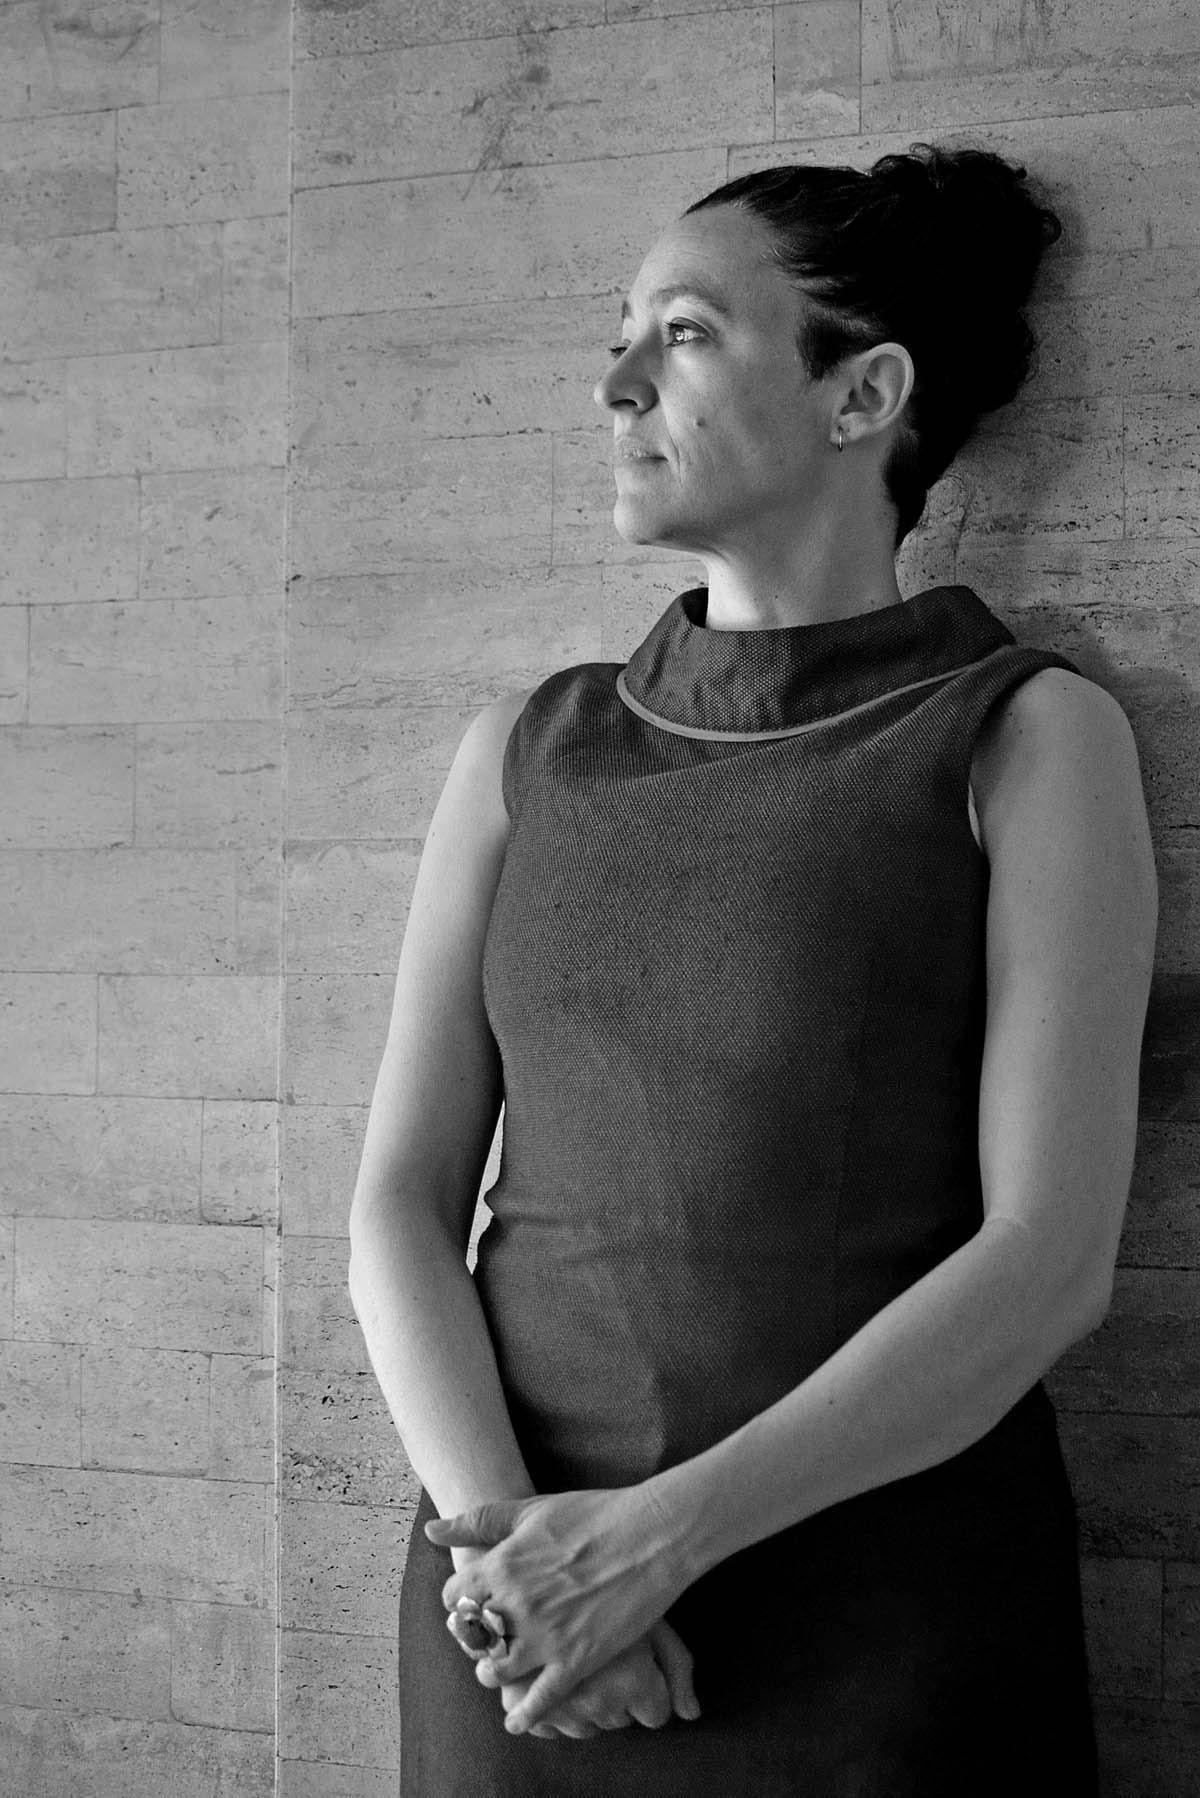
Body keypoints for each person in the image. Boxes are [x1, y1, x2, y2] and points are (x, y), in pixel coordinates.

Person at [347, 141, 1159, 1795]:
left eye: (685, 333)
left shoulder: (1022, 735)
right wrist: (519, 1560)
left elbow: (1048, 1260)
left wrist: (649, 1546)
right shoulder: (526, 749)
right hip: (520, 1632)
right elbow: (397, 1210)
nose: (614, 384)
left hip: (881, 1626)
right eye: (621, 335)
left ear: (865, 396)